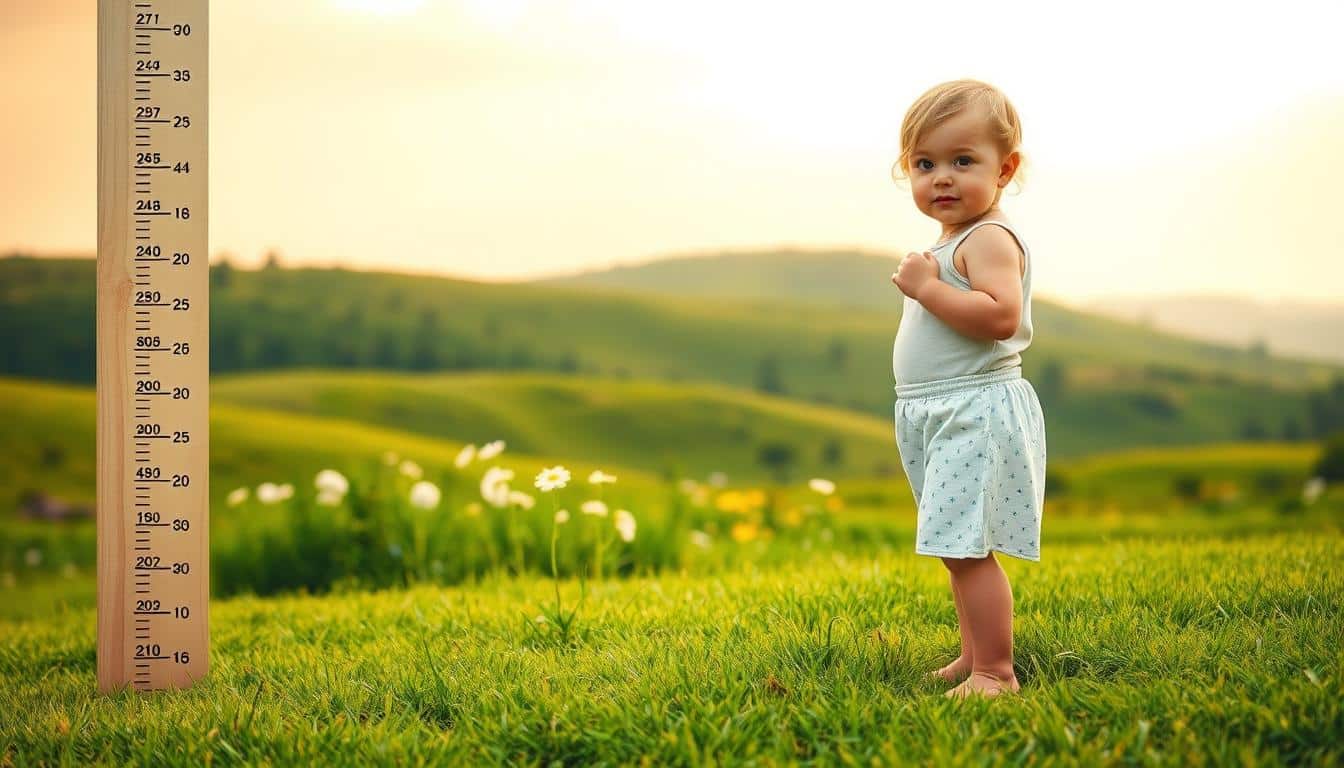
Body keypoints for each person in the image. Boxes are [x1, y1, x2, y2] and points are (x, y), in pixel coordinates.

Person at [889, 79, 1047, 698]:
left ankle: (995, 672)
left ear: (1004, 169)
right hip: (940, 408)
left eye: (963, 161)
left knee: (970, 547)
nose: (942, 178)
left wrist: (928, 288)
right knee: (957, 545)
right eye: (925, 164)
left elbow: (1000, 316)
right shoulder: (952, 239)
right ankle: (972, 655)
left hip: (974, 407)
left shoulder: (988, 238)